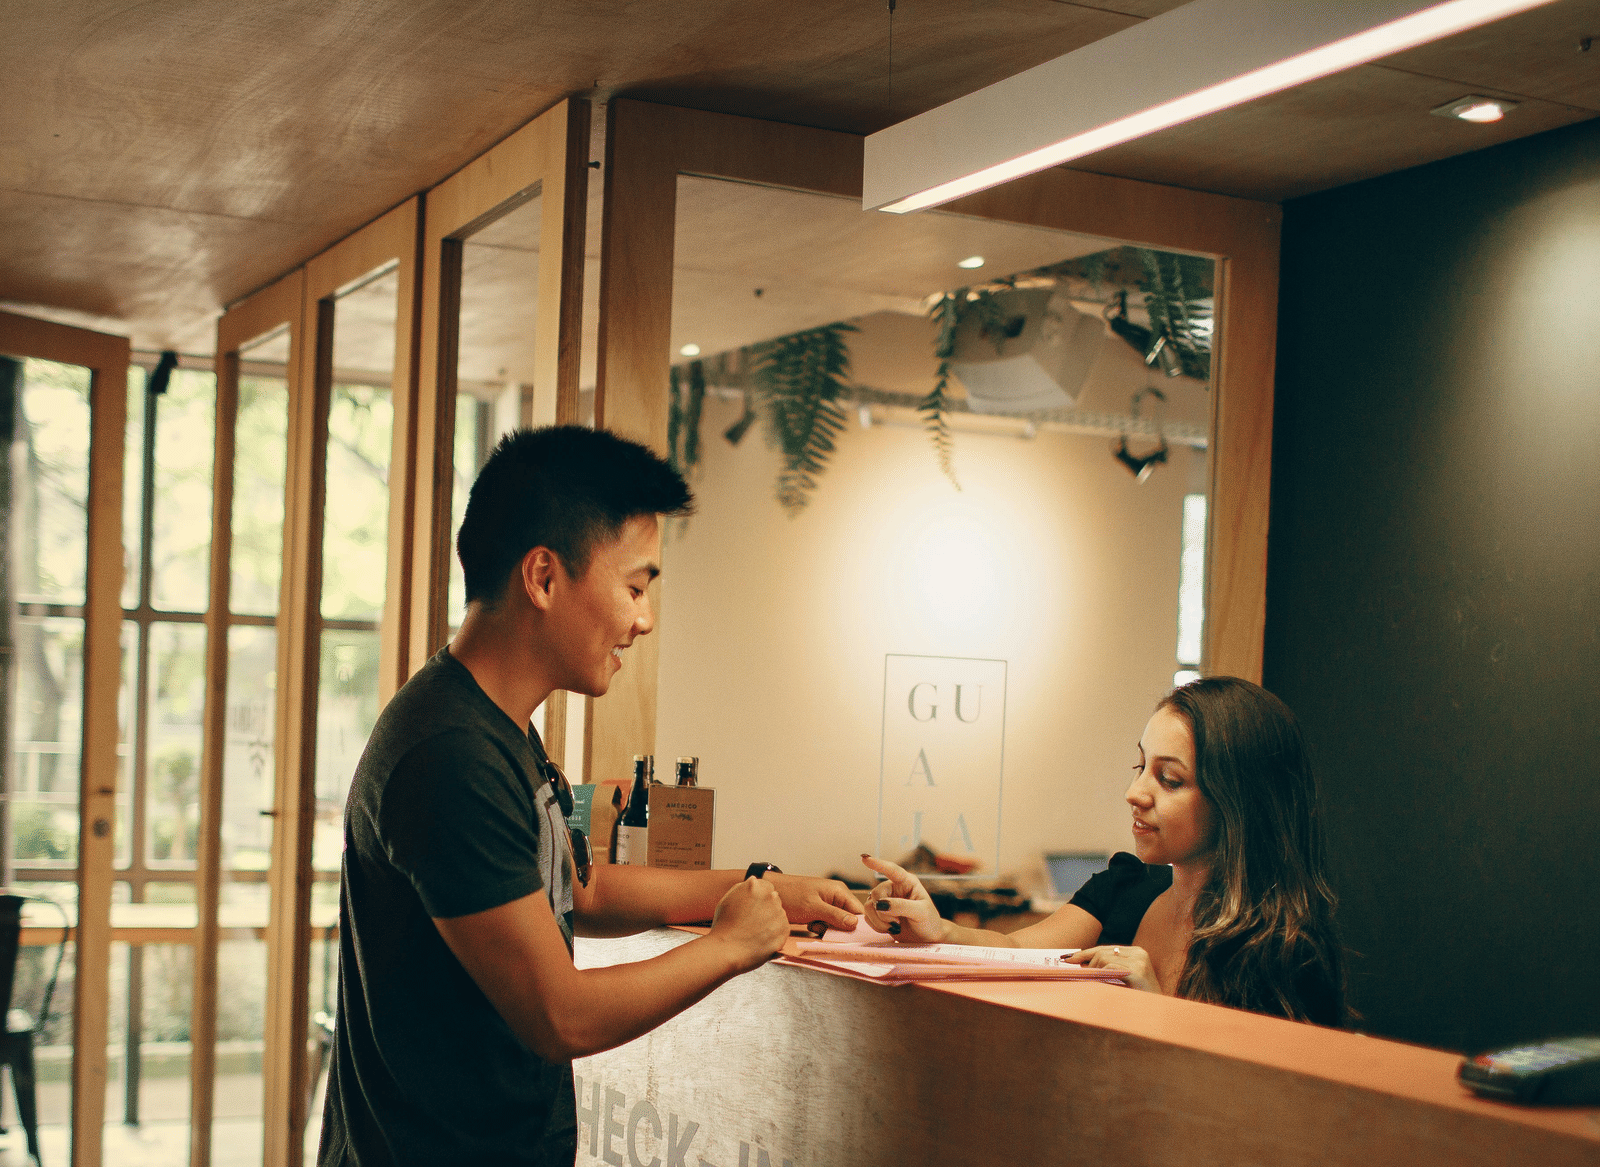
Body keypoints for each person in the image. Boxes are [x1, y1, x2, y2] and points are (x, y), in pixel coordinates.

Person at [318, 425, 863, 1166]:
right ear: (543, 577)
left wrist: (758, 886)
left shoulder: (499, 729)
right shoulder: (450, 753)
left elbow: (580, 887)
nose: (642, 619)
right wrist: (730, 944)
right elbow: (558, 1014)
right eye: (635, 586)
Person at [861, 676, 1345, 1026]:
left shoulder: (1283, 948)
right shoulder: (1125, 887)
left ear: (1239, 801)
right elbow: (1015, 951)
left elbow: (1257, 1107)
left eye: (1169, 779)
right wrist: (936, 927)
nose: (1136, 793)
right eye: (1139, 766)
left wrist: (1154, 1006)